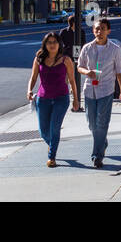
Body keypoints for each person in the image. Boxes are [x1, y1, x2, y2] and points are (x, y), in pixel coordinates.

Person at [77, 17, 121, 168]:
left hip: (106, 90)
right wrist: (87, 72)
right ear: (93, 31)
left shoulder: (115, 49)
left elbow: (119, 71)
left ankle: (97, 156)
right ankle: (102, 141)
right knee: (92, 124)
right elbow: (79, 66)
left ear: (108, 31)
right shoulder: (87, 48)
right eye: (97, 29)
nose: (99, 32)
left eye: (103, 29)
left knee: (102, 123)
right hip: (89, 90)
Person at [27, 31, 79, 167]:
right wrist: (29, 90)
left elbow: (72, 81)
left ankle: (52, 157)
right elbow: (33, 77)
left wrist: (76, 99)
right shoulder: (39, 59)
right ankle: (52, 145)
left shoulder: (66, 60)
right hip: (43, 99)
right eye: (49, 42)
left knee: (54, 127)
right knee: (43, 130)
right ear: (45, 44)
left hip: (61, 98)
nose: (52, 45)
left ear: (59, 44)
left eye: (54, 42)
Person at [57, 12, 84, 109]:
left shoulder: (81, 31)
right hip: (67, 58)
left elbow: (83, 44)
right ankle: (65, 94)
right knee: (66, 78)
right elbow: (59, 44)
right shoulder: (64, 31)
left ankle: (75, 95)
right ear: (72, 23)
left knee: (75, 77)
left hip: (77, 58)